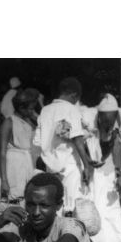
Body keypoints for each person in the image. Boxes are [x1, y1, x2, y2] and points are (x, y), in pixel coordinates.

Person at [81, 95, 121, 242]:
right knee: (94, 200)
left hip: (108, 161)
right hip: (92, 158)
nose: (107, 123)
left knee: (113, 202)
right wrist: (87, 162)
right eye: (104, 120)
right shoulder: (89, 116)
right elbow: (81, 141)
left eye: (110, 120)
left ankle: (118, 241)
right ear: (99, 116)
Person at [33, 77, 93, 214]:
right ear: (74, 95)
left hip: (50, 164)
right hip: (69, 165)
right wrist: (87, 165)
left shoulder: (45, 110)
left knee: (53, 203)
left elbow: (37, 141)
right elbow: (77, 139)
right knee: (71, 206)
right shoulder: (71, 110)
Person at [0, 90, 37, 202]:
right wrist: (4, 180)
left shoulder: (28, 122)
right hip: (13, 164)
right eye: (30, 109)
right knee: (13, 197)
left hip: (26, 163)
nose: (32, 111)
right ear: (21, 108)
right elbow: (2, 152)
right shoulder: (9, 122)